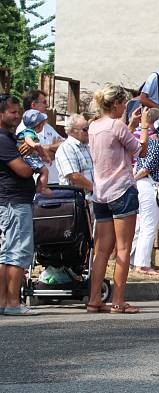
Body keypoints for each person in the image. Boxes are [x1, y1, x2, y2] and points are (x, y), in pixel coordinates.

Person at [87, 85, 150, 314]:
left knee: (102, 250)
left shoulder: (94, 126)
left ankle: (94, 299)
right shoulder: (116, 126)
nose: (125, 107)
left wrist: (129, 125)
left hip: (101, 192)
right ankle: (118, 300)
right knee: (123, 249)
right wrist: (143, 127)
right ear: (115, 104)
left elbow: (114, 145)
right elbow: (140, 151)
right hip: (122, 190)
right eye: (123, 103)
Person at [0, 94, 38, 316]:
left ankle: (5, 301)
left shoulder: (10, 138)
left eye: (18, 112)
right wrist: (32, 160)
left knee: (6, 254)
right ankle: (13, 302)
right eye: (12, 112)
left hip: (11, 202)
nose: (17, 117)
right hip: (14, 203)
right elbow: (23, 170)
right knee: (18, 253)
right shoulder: (4, 140)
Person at [130, 112, 159, 276]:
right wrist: (132, 180)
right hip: (149, 186)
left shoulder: (149, 142)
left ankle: (134, 260)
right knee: (149, 226)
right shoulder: (157, 145)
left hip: (142, 185)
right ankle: (142, 264)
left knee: (141, 225)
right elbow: (146, 168)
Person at [16, 90, 62, 185]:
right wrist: (53, 150)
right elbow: (38, 156)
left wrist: (47, 147)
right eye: (44, 102)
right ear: (33, 105)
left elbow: (64, 145)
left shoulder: (47, 126)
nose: (47, 106)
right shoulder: (24, 129)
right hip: (37, 184)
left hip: (55, 181)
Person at [55, 114, 93, 197]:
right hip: (77, 199)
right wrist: (95, 189)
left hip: (91, 198)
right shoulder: (66, 148)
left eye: (89, 128)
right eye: (85, 129)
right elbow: (74, 176)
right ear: (72, 131)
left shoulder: (87, 146)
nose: (88, 132)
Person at [17, 109, 53, 195]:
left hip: (31, 156)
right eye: (42, 124)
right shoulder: (29, 132)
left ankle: (40, 187)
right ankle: (43, 188)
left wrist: (46, 156)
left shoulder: (32, 133)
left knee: (43, 171)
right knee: (44, 171)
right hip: (28, 157)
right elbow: (28, 139)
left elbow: (41, 148)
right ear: (38, 125)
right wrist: (33, 145)